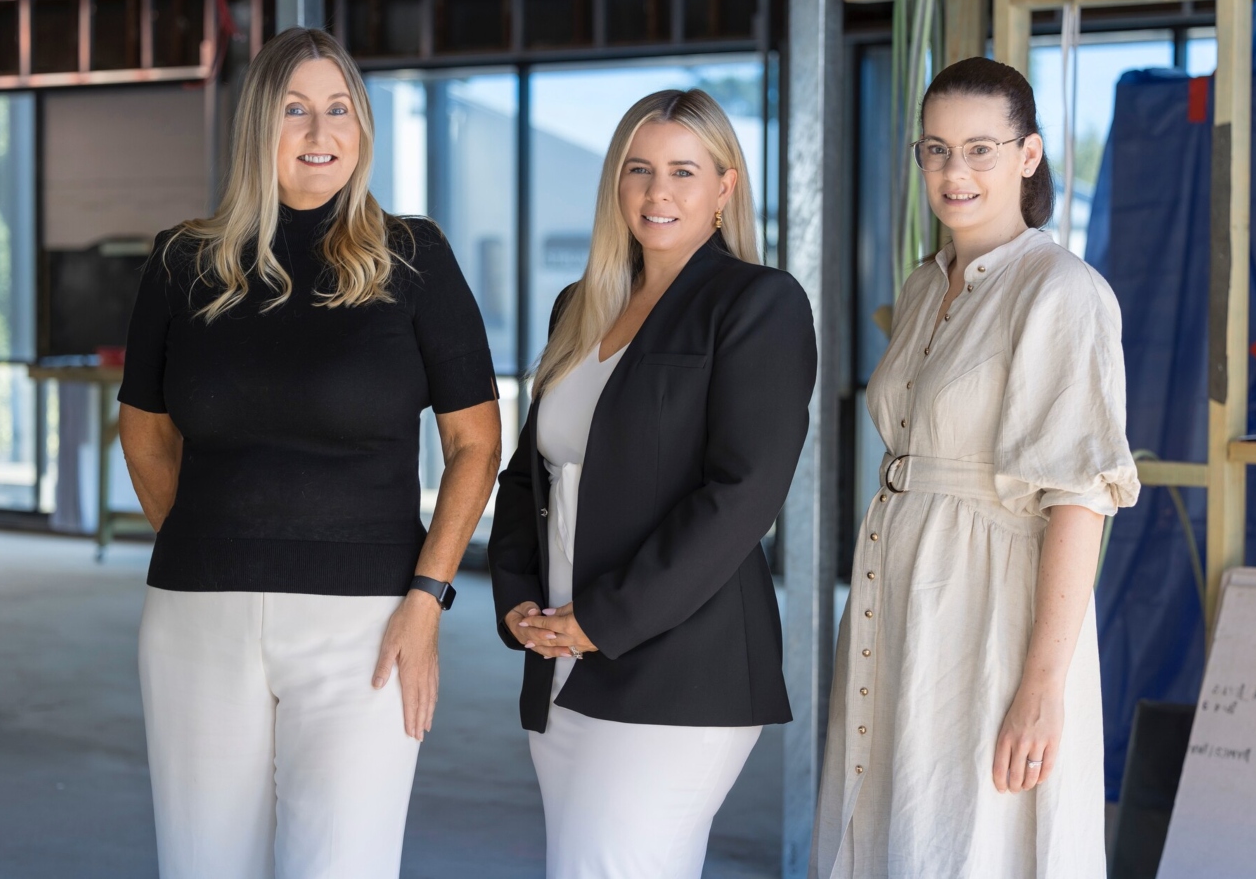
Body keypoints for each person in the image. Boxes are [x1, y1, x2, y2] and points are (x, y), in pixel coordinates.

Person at [117, 27, 501, 879]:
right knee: (204, 866)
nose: (320, 132)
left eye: (339, 110)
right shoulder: (182, 262)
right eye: (295, 110)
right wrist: (208, 538)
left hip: (366, 625)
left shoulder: (415, 258)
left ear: (362, 127)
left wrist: (428, 600)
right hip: (196, 619)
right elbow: (143, 430)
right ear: (259, 124)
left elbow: (475, 444)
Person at [811, 57, 1140, 879]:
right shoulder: (925, 286)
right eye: (936, 150)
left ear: (1028, 155)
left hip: (990, 607)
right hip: (901, 594)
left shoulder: (1061, 290)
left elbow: (1079, 500)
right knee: (893, 816)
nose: (954, 172)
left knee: (971, 835)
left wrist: (1043, 686)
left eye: (980, 149)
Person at [488, 88, 817, 879]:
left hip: (679, 667)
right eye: (638, 170)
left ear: (725, 188)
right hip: (561, 657)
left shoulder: (756, 303)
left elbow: (742, 496)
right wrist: (516, 598)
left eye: (682, 171)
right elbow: (529, 474)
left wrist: (602, 620)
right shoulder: (580, 306)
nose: (656, 191)